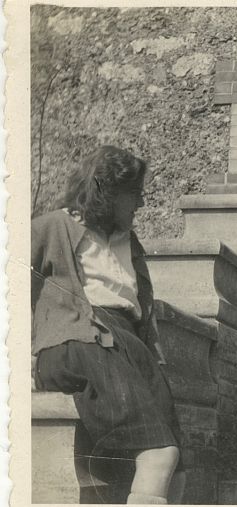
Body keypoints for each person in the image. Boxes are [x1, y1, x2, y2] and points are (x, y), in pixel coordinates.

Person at [31, 145, 184, 504]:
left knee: (178, 463)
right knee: (160, 454)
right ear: (108, 191)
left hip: (129, 347)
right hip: (81, 340)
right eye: (136, 194)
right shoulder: (56, 225)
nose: (142, 204)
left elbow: (141, 310)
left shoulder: (130, 242)